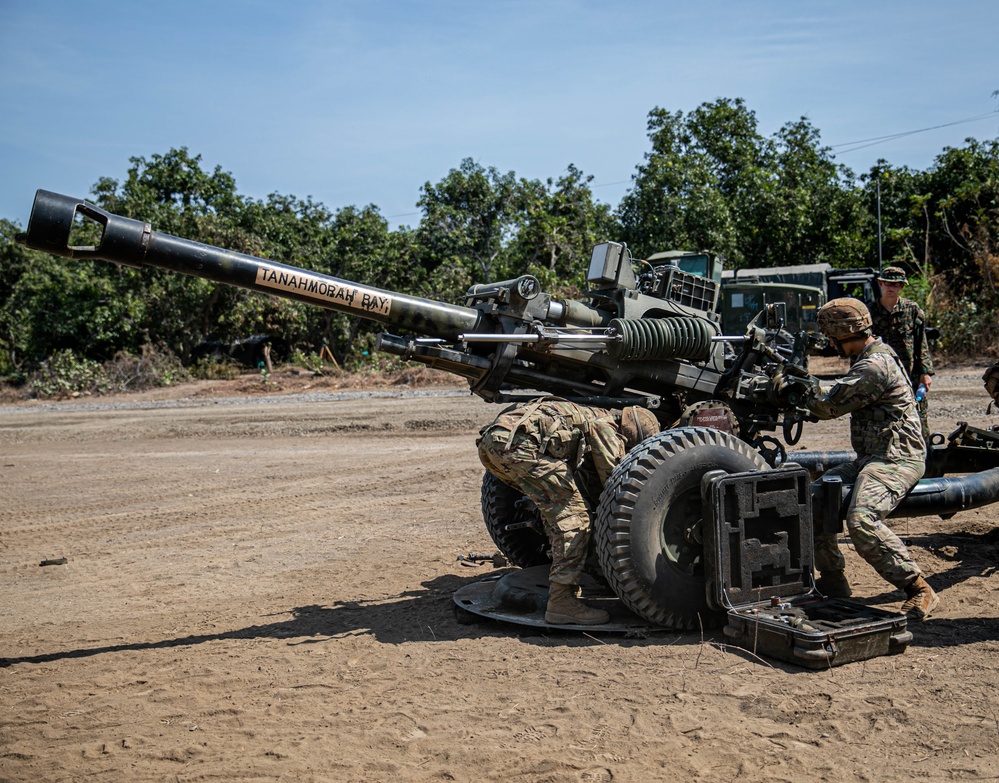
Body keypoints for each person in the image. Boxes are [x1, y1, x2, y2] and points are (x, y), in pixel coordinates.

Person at [802, 297, 939, 621]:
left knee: (861, 520)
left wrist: (791, 387)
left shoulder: (873, 366)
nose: (832, 345)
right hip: (872, 456)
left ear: (845, 334)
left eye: (833, 338)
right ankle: (834, 581)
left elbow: (828, 405)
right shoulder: (870, 356)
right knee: (813, 501)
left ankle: (919, 588)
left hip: (896, 458)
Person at [477, 399, 659, 625]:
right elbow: (614, 485)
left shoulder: (588, 414)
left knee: (553, 510)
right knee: (575, 520)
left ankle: (562, 571)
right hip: (519, 447)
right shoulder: (605, 425)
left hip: (493, 444)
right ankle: (562, 601)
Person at [867, 266, 934, 443]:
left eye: (896, 284)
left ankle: (925, 463)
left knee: (918, 420)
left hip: (909, 376)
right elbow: (862, 348)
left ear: (902, 287)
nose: (891, 288)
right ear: (880, 283)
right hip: (880, 377)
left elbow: (922, 344)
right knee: (882, 423)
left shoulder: (912, 310)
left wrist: (925, 372)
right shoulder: (869, 313)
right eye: (888, 283)